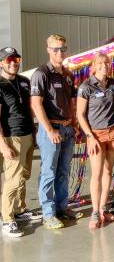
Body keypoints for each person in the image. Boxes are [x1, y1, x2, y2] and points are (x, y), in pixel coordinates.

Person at [30, 34, 83, 229]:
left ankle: (62, 207)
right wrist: (50, 130)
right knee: (49, 172)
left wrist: (74, 124)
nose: (60, 52)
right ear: (48, 50)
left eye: (63, 49)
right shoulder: (41, 73)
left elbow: (71, 102)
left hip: (67, 128)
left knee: (63, 171)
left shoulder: (67, 75)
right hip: (50, 129)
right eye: (56, 49)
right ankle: (48, 213)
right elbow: (36, 104)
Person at [0, 47, 42, 237]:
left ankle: (20, 209)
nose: (13, 62)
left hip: (27, 135)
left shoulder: (24, 81)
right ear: (1, 62)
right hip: (12, 137)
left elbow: (30, 109)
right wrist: (3, 145)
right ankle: (7, 219)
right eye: (9, 59)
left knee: (24, 175)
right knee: (13, 178)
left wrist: (34, 133)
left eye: (16, 59)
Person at [77, 52, 114, 229]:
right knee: (96, 173)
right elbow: (80, 115)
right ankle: (95, 212)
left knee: (108, 171)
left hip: (113, 131)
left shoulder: (113, 84)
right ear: (94, 66)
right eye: (100, 63)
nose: (104, 65)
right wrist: (90, 136)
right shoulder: (86, 86)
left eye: (107, 62)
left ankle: (103, 208)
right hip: (95, 134)